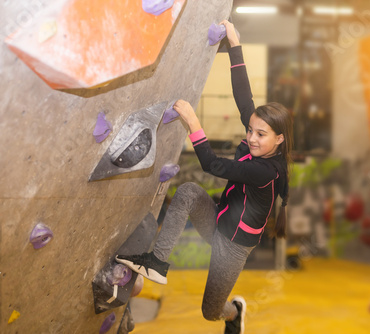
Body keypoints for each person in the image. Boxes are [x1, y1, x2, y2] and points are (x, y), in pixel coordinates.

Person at [116, 21, 294, 334]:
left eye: (261, 134)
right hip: (216, 221)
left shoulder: (265, 170)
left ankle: (234, 312)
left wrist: (193, 122)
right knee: (186, 192)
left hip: (233, 246)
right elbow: (244, 97)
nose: (251, 138)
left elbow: (212, 164)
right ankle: (157, 262)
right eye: (250, 130)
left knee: (210, 311)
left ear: (279, 139)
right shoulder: (259, 145)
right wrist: (234, 45)